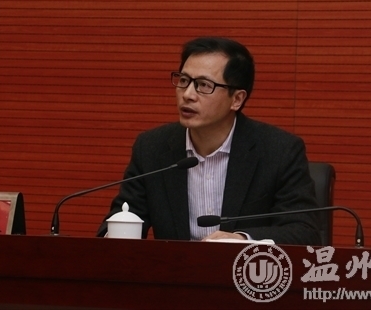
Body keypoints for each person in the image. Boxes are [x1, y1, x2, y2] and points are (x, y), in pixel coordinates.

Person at [97, 36, 321, 245]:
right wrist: (115, 235)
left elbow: (304, 231)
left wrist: (242, 239)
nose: (187, 94)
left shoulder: (279, 151)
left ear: (236, 99)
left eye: (204, 85)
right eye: (184, 80)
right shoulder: (152, 149)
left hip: (243, 271)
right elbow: (122, 217)